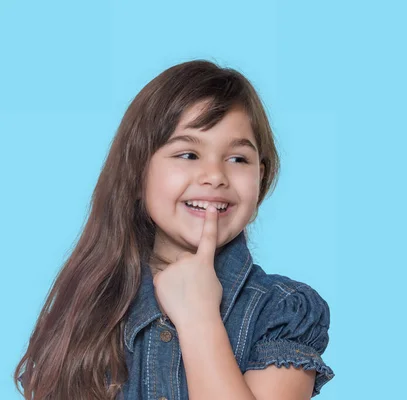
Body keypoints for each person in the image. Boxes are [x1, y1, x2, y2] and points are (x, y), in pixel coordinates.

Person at [14, 60, 334, 399]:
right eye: (188, 154)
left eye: (238, 159)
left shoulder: (284, 312)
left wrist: (199, 317)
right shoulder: (88, 309)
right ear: (137, 174)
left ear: (261, 178)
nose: (214, 175)